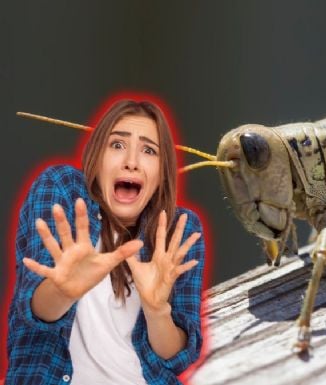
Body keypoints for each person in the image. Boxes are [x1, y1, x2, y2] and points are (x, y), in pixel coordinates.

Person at [5, 99, 205, 384]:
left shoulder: (179, 230)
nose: (131, 162)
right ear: (97, 158)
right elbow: (34, 310)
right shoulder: (62, 187)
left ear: (162, 175)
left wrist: (157, 310)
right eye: (117, 145)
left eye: (149, 150)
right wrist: (63, 291)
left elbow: (176, 357)